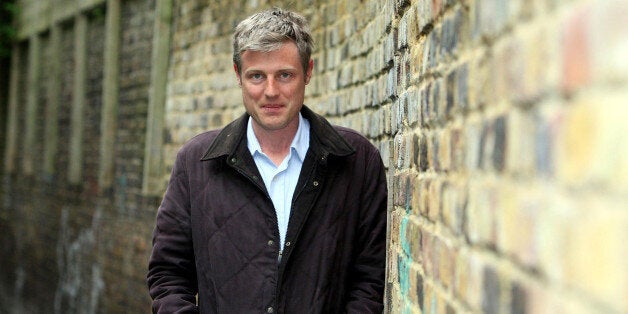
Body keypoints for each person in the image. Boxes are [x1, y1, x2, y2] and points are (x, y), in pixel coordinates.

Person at [147, 7, 388, 313]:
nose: (271, 91)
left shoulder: (357, 160)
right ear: (238, 76)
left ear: (308, 72)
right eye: (257, 76)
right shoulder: (196, 163)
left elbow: (369, 281)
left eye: (285, 75)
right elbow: (168, 275)